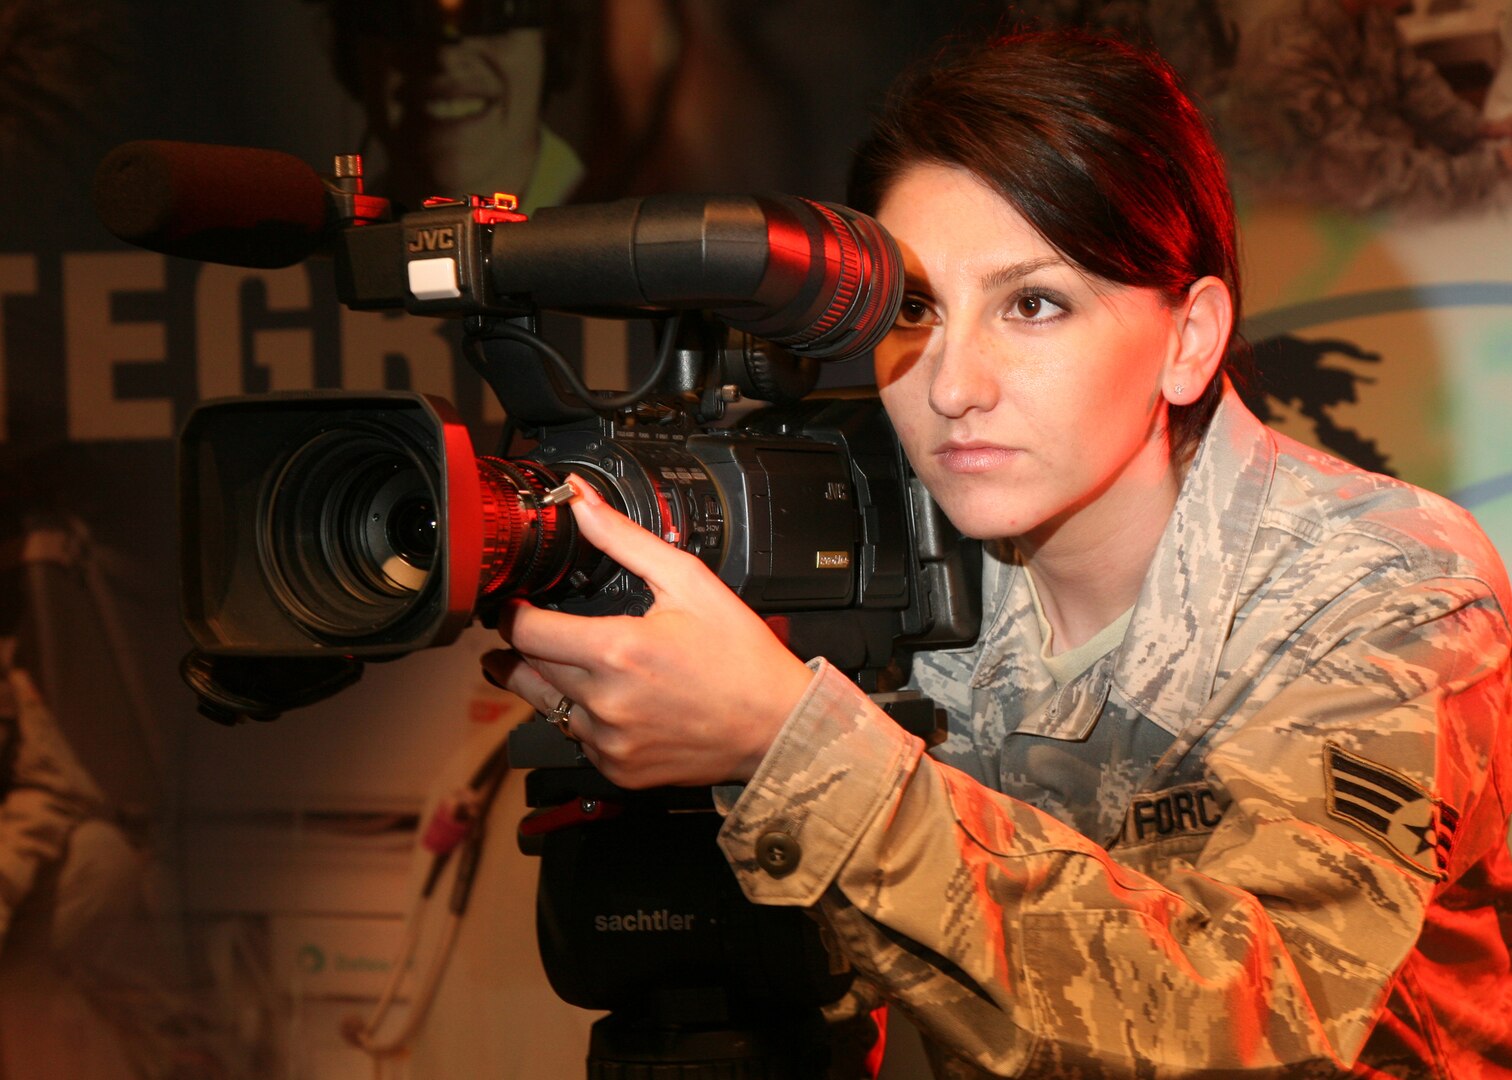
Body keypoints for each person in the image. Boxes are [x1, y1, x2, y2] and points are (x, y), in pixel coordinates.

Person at [482, 28, 1512, 1078]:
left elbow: (1262, 1017)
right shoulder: (876, 560)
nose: (951, 384)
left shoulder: (1389, 581)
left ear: (1189, 338)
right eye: (911, 310)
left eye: (1033, 304)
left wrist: (783, 743)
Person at [1224, 0, 1512, 216]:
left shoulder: (1368, 12)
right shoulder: (1286, 41)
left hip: (1380, 203)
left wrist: (1484, 130)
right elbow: (1367, 178)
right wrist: (1496, 165)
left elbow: (1413, 87)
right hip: (1309, 227)